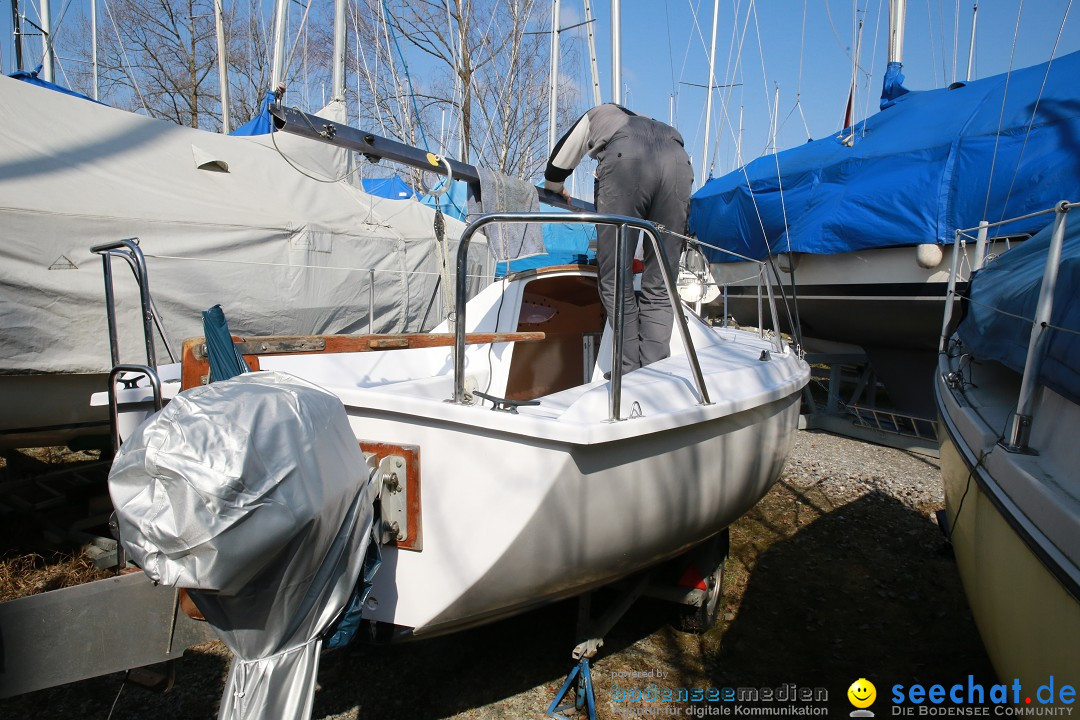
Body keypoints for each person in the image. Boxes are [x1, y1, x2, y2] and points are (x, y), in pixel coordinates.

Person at [544, 104, 694, 375]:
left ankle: (628, 372)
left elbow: (560, 160)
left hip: (627, 161)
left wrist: (553, 187)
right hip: (678, 162)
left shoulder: (600, 114)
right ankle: (655, 373)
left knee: (616, 279)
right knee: (661, 284)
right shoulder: (654, 121)